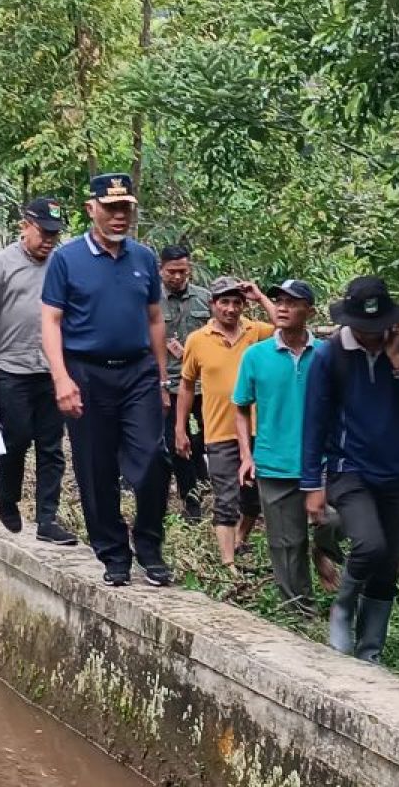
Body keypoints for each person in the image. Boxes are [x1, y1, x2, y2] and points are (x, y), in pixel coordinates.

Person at [302, 276, 399, 664]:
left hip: (397, 472)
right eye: (362, 329)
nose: (369, 336)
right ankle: (342, 607)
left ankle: (369, 653)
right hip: (350, 469)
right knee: (368, 544)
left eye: (376, 328)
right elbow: (314, 422)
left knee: (386, 566)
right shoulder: (330, 355)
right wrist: (312, 484)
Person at [41, 172, 173, 588]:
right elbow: (51, 320)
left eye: (126, 208)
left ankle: (149, 546)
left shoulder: (144, 259)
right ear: (91, 209)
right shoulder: (66, 259)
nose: (120, 216)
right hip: (86, 372)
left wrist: (162, 378)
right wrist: (61, 378)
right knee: (95, 468)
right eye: (111, 208)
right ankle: (113, 554)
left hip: (138, 372)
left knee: (153, 458)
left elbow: (154, 318)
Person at [233, 279, 341, 615]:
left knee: (339, 520)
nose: (282, 307)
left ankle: (323, 549)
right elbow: (240, 406)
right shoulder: (256, 355)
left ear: (308, 311)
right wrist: (246, 456)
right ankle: (300, 611)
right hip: (274, 460)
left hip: (325, 462)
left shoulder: (326, 354)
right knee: (285, 543)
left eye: (292, 303)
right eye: (278, 300)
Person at [0, 197, 77, 545]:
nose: (49, 240)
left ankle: (48, 518)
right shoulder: (1, 265)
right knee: (16, 439)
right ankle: (7, 494)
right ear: (26, 226)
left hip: (51, 370)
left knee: (51, 446)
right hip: (10, 369)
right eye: (43, 232)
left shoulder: (61, 265)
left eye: (55, 234)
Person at [175, 276, 276, 568]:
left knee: (253, 498)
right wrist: (180, 428)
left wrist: (259, 297)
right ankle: (228, 563)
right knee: (225, 498)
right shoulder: (197, 340)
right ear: (213, 305)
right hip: (219, 431)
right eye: (224, 302)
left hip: (258, 430)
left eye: (236, 302)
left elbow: (285, 328)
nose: (231, 309)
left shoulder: (254, 332)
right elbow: (186, 385)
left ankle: (240, 538)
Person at [160, 245, 211, 521]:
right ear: (161, 269)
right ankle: (190, 501)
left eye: (183, 271)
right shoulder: (151, 301)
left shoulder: (205, 300)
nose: (177, 277)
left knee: (210, 437)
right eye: (171, 272)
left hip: (203, 385)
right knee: (174, 443)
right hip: (169, 385)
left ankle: (203, 475)